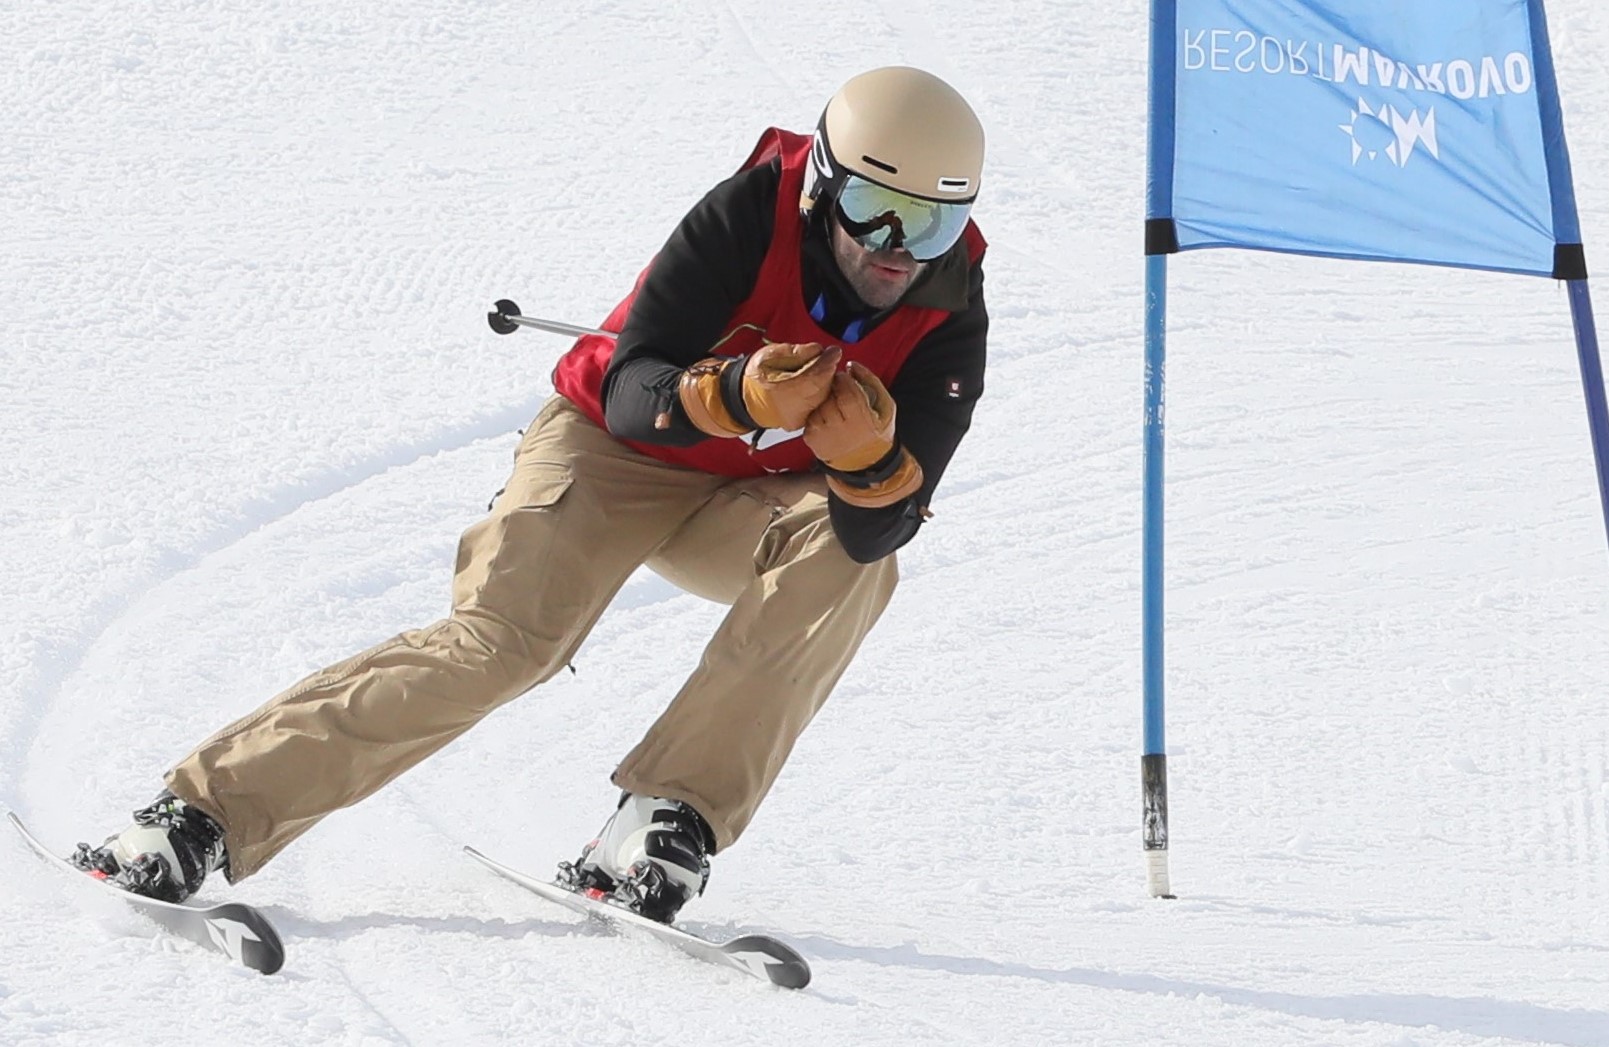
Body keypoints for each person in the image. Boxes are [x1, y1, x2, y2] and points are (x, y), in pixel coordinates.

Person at [73, 65, 990, 924]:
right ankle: (200, 814)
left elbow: (883, 527)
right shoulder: (750, 212)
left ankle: (665, 818)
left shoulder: (947, 314)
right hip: (610, 453)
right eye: (871, 210)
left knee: (852, 558)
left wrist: (869, 466)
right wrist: (732, 396)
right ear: (821, 185)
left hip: (743, 501)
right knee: (504, 646)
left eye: (929, 226)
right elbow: (630, 388)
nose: (894, 250)